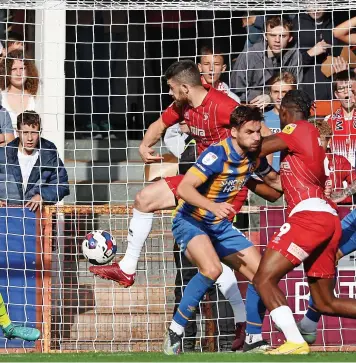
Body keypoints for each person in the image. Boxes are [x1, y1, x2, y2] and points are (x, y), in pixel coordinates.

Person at [162, 105, 282, 355]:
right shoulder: (216, 155)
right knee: (212, 269)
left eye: (258, 131)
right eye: (250, 132)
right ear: (234, 131)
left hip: (219, 226)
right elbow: (184, 188)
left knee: (263, 275)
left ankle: (252, 338)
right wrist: (212, 206)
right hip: (190, 220)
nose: (257, 137)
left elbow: (274, 184)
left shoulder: (253, 156)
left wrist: (306, 185)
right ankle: (175, 330)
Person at [253, 89, 356, 355]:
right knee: (325, 302)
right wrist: (254, 170)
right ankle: (297, 337)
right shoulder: (303, 141)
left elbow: (258, 147)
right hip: (326, 216)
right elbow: (276, 185)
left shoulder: (297, 129)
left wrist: (238, 138)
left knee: (263, 279)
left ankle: (295, 341)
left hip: (309, 215)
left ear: (284, 112)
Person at [287, 119, 356, 345]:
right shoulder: (303, 159)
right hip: (346, 217)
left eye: (323, 141)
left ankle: (306, 324)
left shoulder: (335, 160)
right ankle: (308, 324)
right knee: (330, 255)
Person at [0, 111, 70, 208]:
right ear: (17, 132)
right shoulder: (3, 155)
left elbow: (62, 185)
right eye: (25, 133)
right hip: (7, 217)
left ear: (40, 132)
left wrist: (42, 196)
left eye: (34, 132)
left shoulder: (49, 154)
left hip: (37, 216)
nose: (29, 138)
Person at [230, 15, 302, 108]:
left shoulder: (295, 56)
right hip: (251, 108)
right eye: (272, 35)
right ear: (265, 36)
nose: (277, 40)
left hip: (284, 108)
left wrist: (270, 98)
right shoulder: (249, 55)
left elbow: (296, 91)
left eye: (282, 36)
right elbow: (236, 91)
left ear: (290, 38)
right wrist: (266, 96)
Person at [292, 9, 346, 101]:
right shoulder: (295, 25)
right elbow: (287, 65)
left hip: (334, 93)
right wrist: (310, 53)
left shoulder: (335, 22)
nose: (316, 7)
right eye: (312, 2)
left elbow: (344, 53)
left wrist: (343, 68)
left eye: (320, 2)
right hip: (307, 94)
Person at [264, 71, 297, 171]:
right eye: (276, 92)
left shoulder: (298, 120)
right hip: (266, 177)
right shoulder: (262, 119)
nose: (280, 97)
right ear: (270, 93)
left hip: (292, 176)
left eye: (284, 92)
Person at [0, 50, 39, 129]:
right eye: (13, 69)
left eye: (22, 68)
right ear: (6, 71)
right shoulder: (1, 97)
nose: (18, 73)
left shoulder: (36, 96)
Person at [325, 70, 356, 165]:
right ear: (336, 94)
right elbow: (322, 151)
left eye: (350, 88)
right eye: (341, 89)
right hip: (338, 176)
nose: (346, 93)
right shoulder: (328, 120)